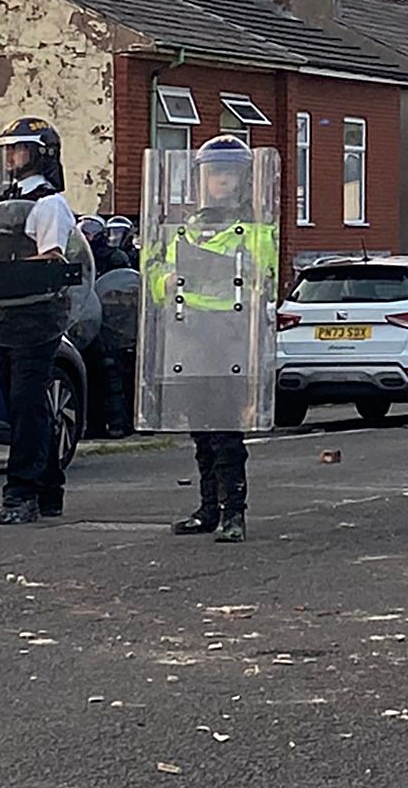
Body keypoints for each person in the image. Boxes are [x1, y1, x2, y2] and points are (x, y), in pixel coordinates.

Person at [153, 136, 278, 544]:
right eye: (212, 173)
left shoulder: (254, 230)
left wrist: (216, 271)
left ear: (242, 180)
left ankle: (234, 512)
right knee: (200, 428)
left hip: (228, 335)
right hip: (189, 333)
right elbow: (156, 278)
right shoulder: (185, 229)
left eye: (227, 174)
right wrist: (166, 281)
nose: (219, 181)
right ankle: (208, 507)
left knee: (225, 428)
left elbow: (263, 277)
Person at [0, 115, 81, 525]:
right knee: (22, 403)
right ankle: (48, 486)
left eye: (19, 149)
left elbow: (52, 257)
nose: (11, 157)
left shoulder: (48, 203)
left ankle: (21, 492)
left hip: (38, 315)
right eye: (7, 149)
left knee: (27, 403)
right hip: (8, 313)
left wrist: (9, 270)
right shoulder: (6, 199)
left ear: (41, 155)